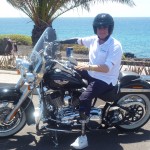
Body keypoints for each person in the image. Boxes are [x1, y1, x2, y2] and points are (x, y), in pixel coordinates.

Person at [59, 13, 123, 149]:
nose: (102, 29)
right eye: (99, 27)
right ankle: (67, 105)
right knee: (65, 72)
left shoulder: (115, 45)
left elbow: (106, 68)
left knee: (84, 98)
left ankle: (82, 135)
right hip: (92, 74)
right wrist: (59, 42)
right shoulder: (94, 39)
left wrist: (87, 66)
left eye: (105, 27)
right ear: (95, 28)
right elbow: (78, 40)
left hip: (105, 79)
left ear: (110, 28)